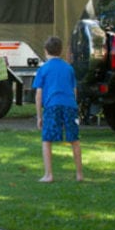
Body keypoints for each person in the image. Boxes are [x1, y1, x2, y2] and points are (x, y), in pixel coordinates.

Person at [34, 36, 83, 183]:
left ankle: (49, 174)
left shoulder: (43, 69)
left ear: (45, 50)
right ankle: (79, 174)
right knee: (74, 139)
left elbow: (39, 94)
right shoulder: (69, 68)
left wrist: (39, 115)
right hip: (70, 105)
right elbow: (74, 90)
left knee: (47, 139)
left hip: (52, 106)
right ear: (60, 51)